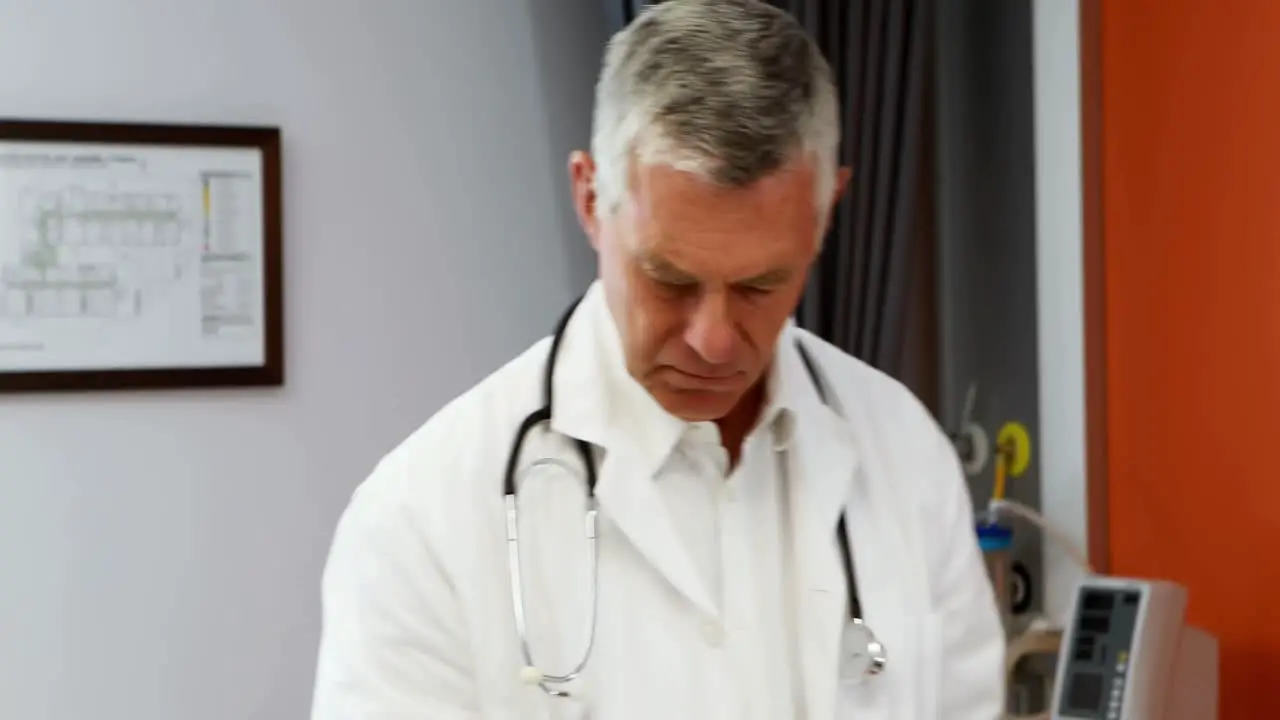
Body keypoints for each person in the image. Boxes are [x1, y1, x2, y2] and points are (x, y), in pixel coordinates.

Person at [310, 1, 1004, 718]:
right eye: (668, 280)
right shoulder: (422, 517)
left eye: (761, 285)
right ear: (588, 198)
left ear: (826, 210)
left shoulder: (905, 456)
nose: (714, 339)